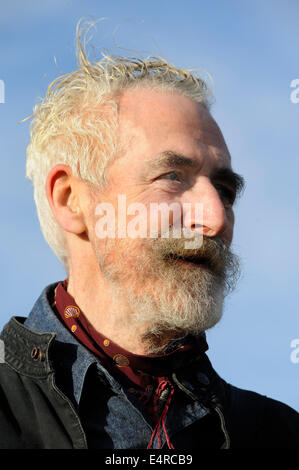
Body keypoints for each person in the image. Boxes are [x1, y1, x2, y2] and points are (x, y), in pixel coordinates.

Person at [0, 21, 298, 449]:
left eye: (226, 191)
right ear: (70, 200)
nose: (215, 219)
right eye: (172, 176)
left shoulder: (277, 434)